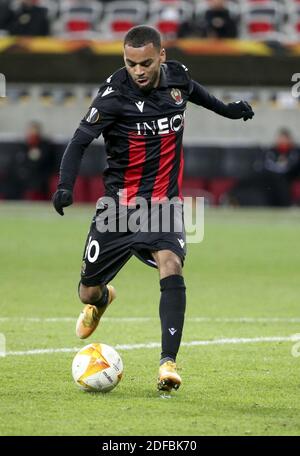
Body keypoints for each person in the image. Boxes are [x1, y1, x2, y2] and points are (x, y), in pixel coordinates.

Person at [52, 25, 254, 392]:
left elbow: (200, 96)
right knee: (87, 291)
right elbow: (79, 140)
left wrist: (230, 110)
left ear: (161, 56)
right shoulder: (112, 96)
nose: (138, 71)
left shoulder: (177, 77)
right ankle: (102, 300)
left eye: (145, 62)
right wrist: (65, 184)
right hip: (118, 208)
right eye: (130, 63)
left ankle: (168, 364)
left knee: (171, 264)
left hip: (163, 204)